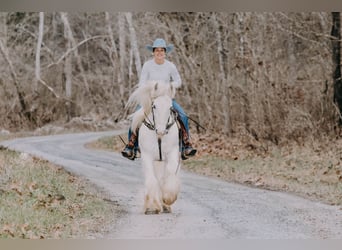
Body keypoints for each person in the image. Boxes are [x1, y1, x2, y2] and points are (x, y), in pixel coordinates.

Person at [121, 38, 197, 160]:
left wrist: (171, 86)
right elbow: (142, 83)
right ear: (153, 52)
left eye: (162, 50)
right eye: (157, 50)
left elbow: (178, 80)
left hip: (166, 98)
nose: (159, 53)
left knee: (182, 115)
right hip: (150, 98)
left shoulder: (170, 66)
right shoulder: (147, 65)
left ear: (165, 52)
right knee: (136, 117)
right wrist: (150, 88)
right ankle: (131, 146)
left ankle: (186, 145)